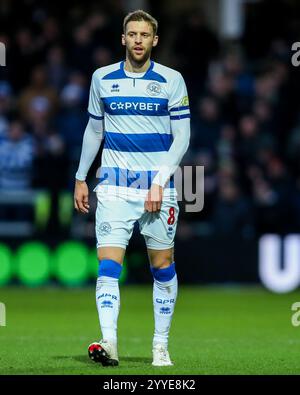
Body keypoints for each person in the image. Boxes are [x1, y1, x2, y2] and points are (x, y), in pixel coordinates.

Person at [74, 9, 190, 367]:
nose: (138, 40)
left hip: (158, 190)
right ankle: (109, 343)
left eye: (145, 35)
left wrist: (158, 182)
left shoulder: (172, 80)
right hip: (113, 187)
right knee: (109, 266)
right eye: (132, 34)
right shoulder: (102, 78)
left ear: (154, 40)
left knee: (163, 267)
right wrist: (81, 176)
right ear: (123, 39)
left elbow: (182, 137)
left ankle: (160, 345)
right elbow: (95, 131)